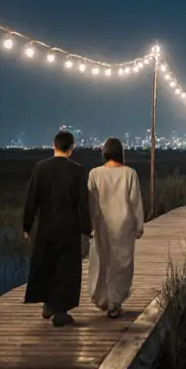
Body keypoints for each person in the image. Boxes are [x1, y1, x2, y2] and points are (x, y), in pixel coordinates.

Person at [22, 130, 92, 327]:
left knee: (46, 264)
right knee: (65, 268)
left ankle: (48, 303)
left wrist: (27, 225)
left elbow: (31, 199)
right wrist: (87, 229)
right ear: (71, 148)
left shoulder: (40, 168)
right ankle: (60, 310)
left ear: (54, 145)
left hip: (45, 225)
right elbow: (83, 204)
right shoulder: (77, 170)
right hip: (69, 226)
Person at [87, 137, 144, 318]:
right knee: (121, 264)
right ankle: (115, 302)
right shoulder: (130, 173)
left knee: (102, 261)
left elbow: (91, 203)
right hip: (124, 224)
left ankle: (103, 298)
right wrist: (139, 224)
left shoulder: (95, 173)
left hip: (102, 223)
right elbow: (135, 201)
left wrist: (90, 225)